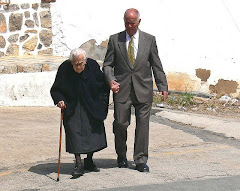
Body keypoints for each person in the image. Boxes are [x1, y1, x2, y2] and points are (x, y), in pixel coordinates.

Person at [103, 8, 168, 172]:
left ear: (139, 22)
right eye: (126, 22)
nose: (129, 26)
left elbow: (156, 64)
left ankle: (140, 159)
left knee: (143, 126)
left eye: (132, 23)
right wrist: (111, 80)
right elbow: (108, 65)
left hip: (143, 88)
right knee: (120, 123)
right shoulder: (114, 39)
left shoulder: (149, 40)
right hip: (122, 89)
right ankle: (121, 155)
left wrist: (162, 85)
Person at [50, 48, 109, 178]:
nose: (78, 66)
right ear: (71, 62)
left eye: (81, 63)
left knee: (93, 133)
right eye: (75, 63)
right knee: (74, 132)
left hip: (91, 105)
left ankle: (89, 160)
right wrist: (60, 100)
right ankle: (78, 164)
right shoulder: (64, 68)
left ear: (85, 61)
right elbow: (56, 89)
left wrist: (102, 99)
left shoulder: (92, 65)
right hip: (72, 106)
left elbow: (102, 84)